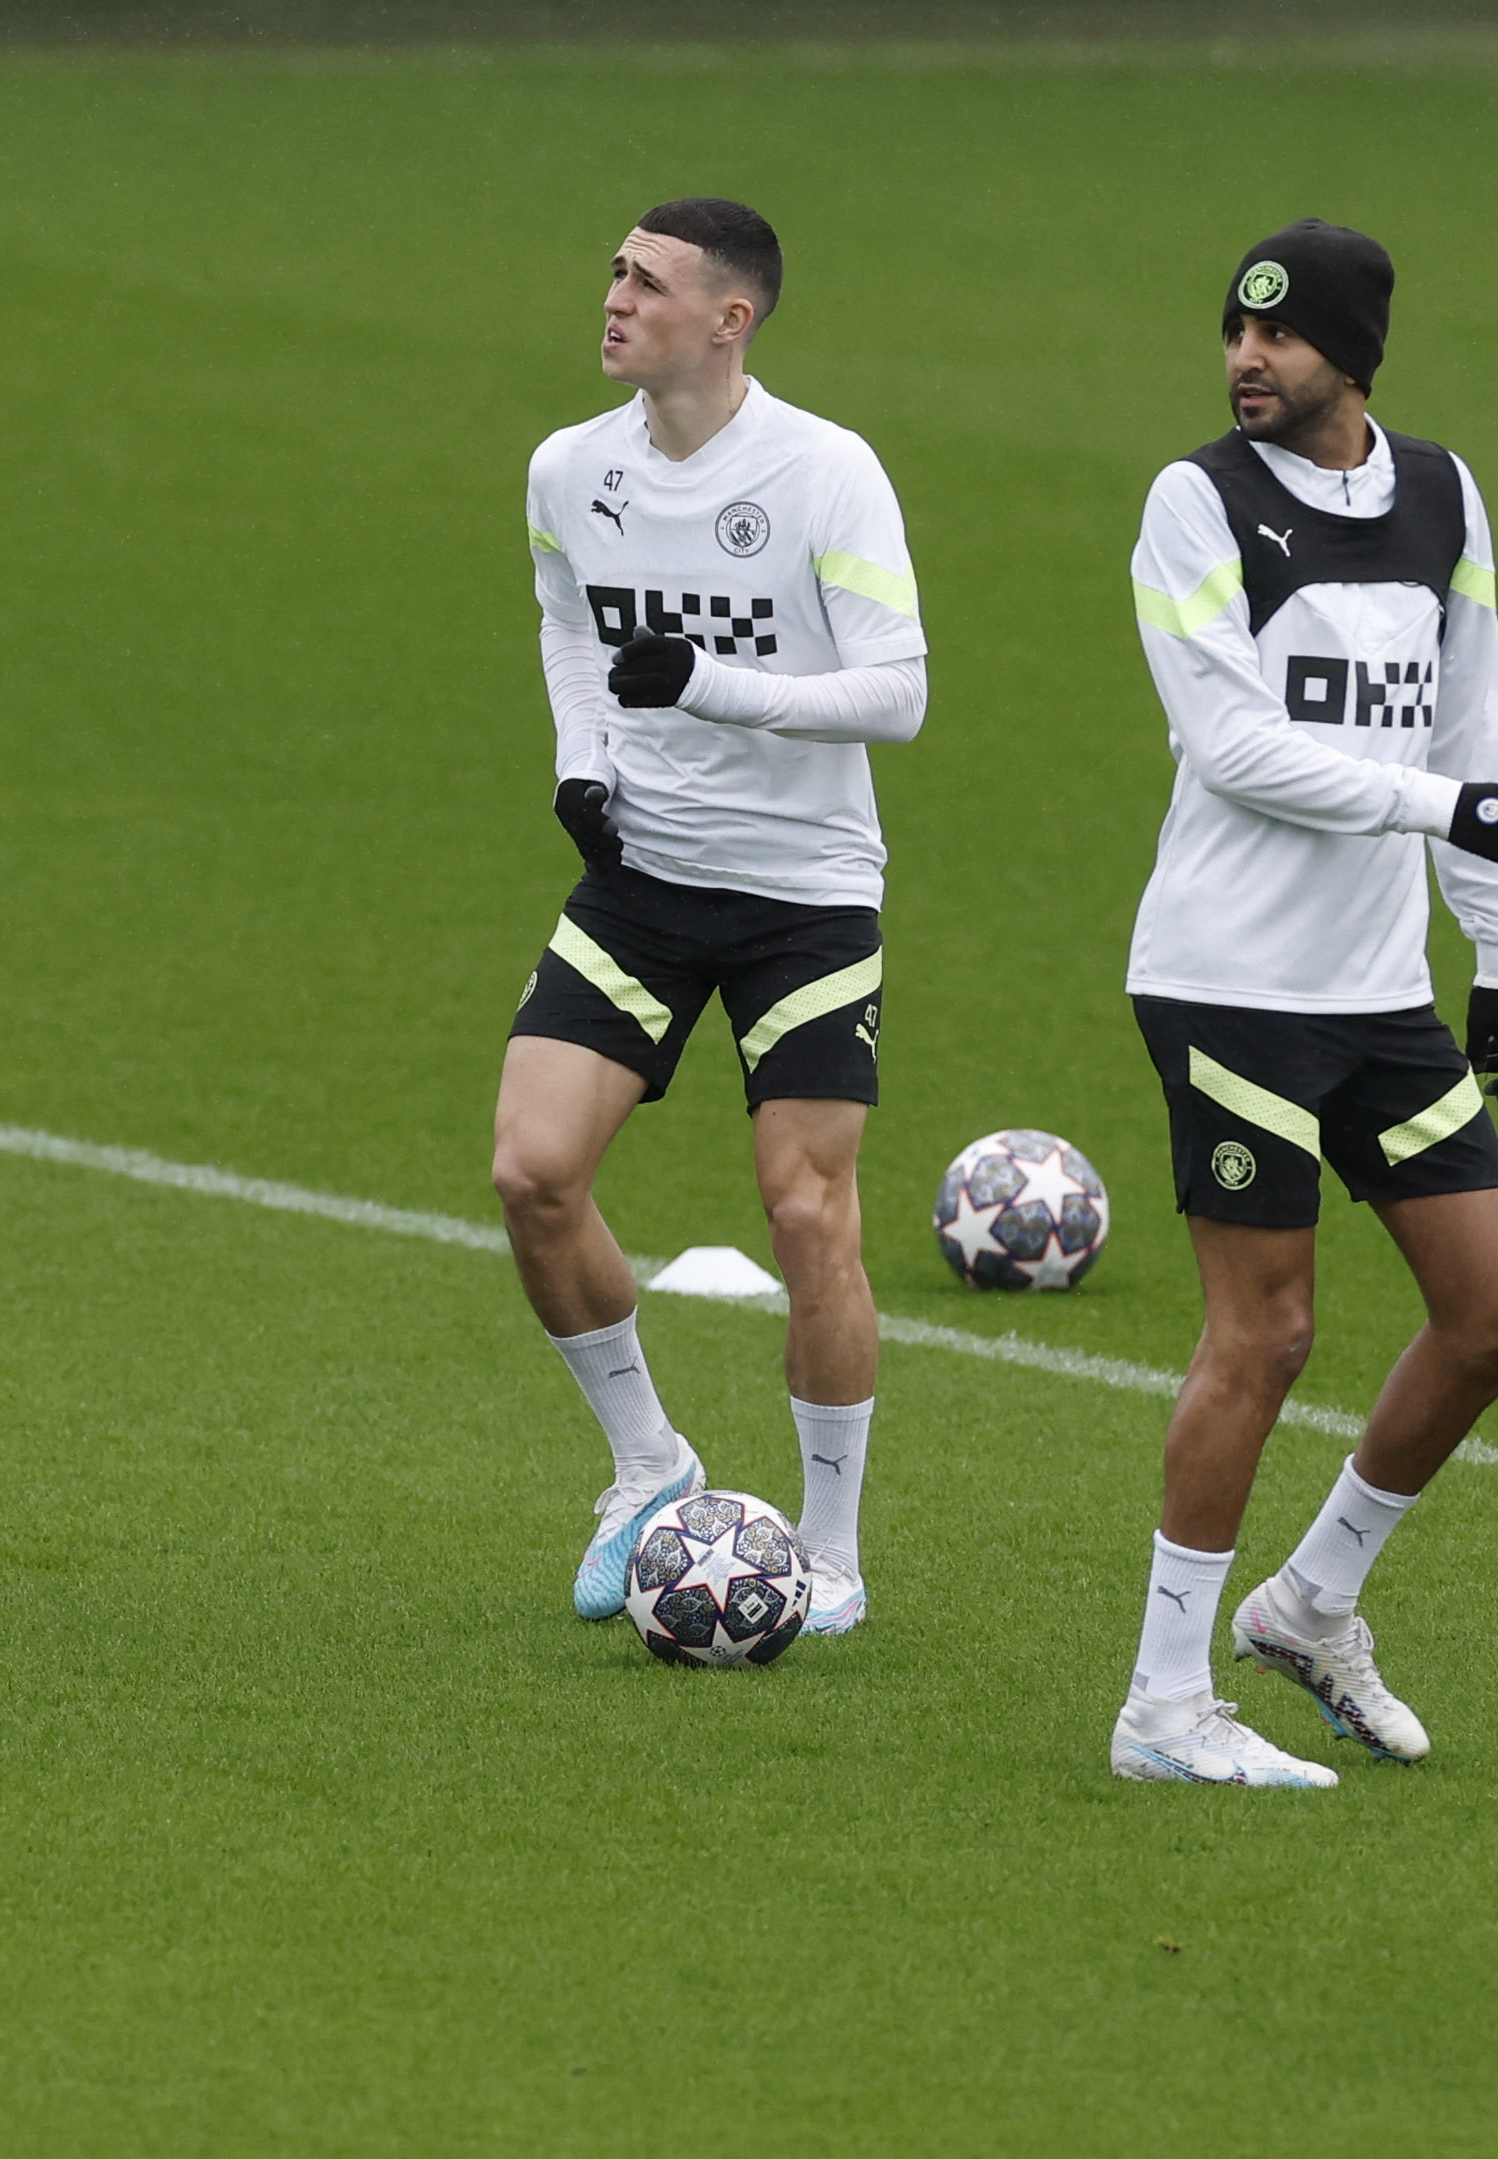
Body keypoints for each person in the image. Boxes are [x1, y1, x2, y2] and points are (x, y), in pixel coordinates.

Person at [1111, 219, 1498, 1789]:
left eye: (1280, 337)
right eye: (1234, 334)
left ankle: (1310, 1601)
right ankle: (1163, 1706)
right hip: (1227, 980)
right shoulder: (1198, 503)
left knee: (1497, 1313)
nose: (1246, 359)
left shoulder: (1442, 494)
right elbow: (1233, 748)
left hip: (1378, 991)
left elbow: (1471, 715)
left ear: (1352, 354)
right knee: (1267, 1333)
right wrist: (1454, 819)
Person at [495, 198, 926, 1636]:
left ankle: (832, 1545)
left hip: (805, 893)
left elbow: (897, 691)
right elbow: (569, 617)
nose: (613, 296)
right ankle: (646, 1463)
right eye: (613, 268)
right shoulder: (572, 466)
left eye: (648, 280)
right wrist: (581, 755)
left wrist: (706, 687)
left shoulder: (824, 473)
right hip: (645, 880)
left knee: (807, 1213)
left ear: (729, 318)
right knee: (532, 1172)